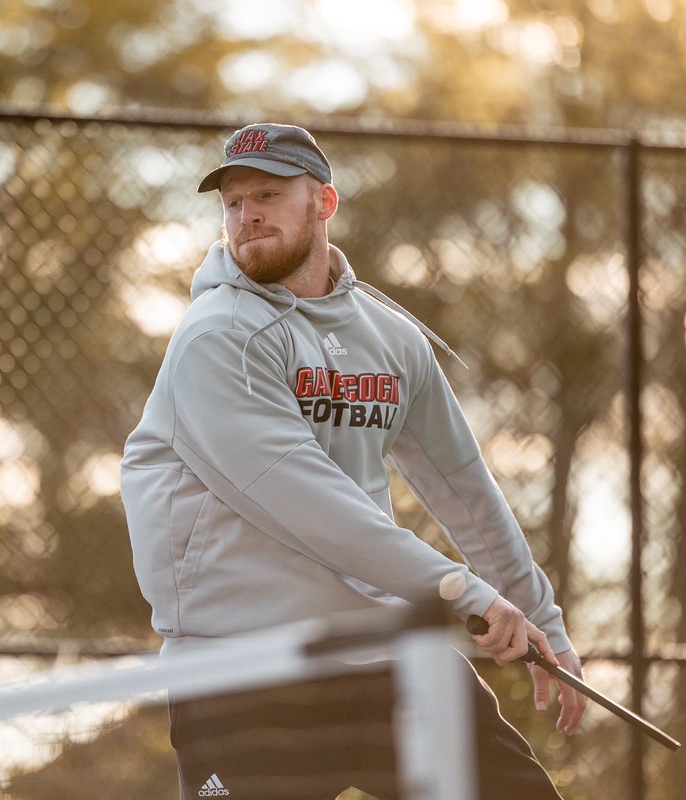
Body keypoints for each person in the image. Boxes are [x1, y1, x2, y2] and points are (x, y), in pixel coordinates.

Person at [120, 122, 587, 800]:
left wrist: (540, 619)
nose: (246, 216)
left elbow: (465, 492)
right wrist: (466, 594)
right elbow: (314, 510)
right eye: (233, 203)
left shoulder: (392, 339)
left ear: (325, 204)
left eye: (268, 196)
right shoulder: (216, 338)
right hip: (243, 671)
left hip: (386, 657)